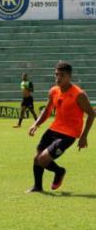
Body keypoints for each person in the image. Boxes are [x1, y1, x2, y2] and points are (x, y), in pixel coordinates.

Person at [26, 62, 95, 193]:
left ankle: (59, 171)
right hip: (54, 129)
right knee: (37, 158)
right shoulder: (53, 91)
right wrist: (36, 124)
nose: (58, 78)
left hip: (69, 134)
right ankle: (37, 187)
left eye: (61, 75)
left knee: (43, 159)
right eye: (56, 74)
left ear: (69, 76)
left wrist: (84, 136)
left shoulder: (79, 94)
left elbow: (91, 114)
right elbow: (47, 111)